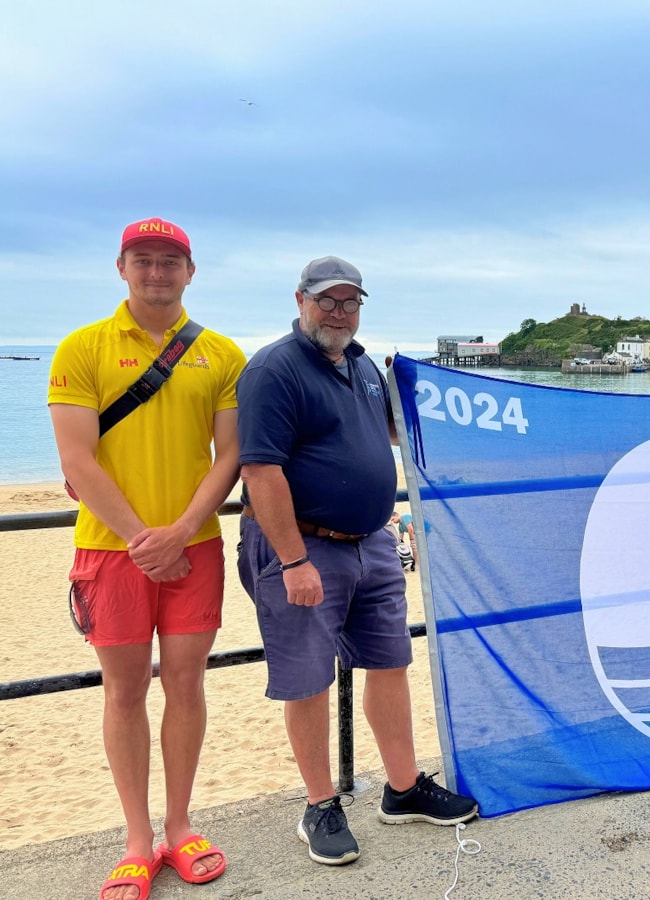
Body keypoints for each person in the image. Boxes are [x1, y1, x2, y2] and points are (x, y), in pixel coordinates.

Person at [236, 256, 478, 867]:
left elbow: (388, 433)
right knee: (309, 679)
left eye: (350, 302)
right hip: (304, 546)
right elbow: (259, 470)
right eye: (327, 301)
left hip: (372, 541)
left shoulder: (363, 364)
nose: (339, 313)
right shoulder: (273, 369)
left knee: (391, 662)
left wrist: (417, 391)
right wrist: (293, 561)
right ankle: (320, 804)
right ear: (300, 301)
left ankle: (402, 789)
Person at [48, 217, 243, 899]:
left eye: (170, 262)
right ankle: (137, 840)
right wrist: (142, 537)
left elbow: (231, 457)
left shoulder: (220, 354)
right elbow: (76, 457)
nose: (156, 273)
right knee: (125, 692)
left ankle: (181, 826)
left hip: (195, 549)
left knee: (187, 685)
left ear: (191, 272)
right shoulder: (81, 347)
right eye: (144, 260)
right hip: (110, 550)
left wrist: (184, 527)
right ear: (122, 267)